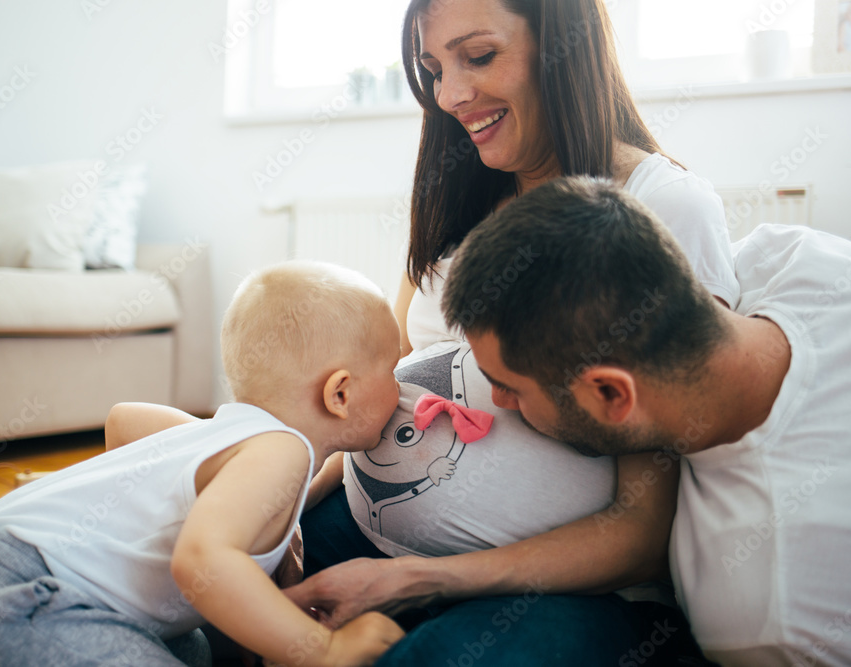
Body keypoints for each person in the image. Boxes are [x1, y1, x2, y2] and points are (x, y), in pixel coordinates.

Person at [289, 0, 737, 663]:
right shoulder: (459, 194)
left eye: (479, 56)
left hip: (569, 587)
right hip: (370, 531)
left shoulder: (661, 207)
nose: (450, 95)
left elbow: (643, 528)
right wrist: (288, 492)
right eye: (432, 68)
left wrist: (414, 579)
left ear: (565, 42)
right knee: (204, 568)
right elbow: (385, 387)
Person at [442, 175, 851, 666]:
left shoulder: (767, 612)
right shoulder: (794, 257)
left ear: (610, 392)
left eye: (511, 387)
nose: (497, 402)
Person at [0, 261, 406, 667]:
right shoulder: (282, 450)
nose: (402, 385)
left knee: (199, 646)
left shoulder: (228, 436)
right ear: (340, 392)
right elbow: (202, 560)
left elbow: (124, 420)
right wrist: (322, 651)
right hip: (11, 602)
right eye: (392, 368)